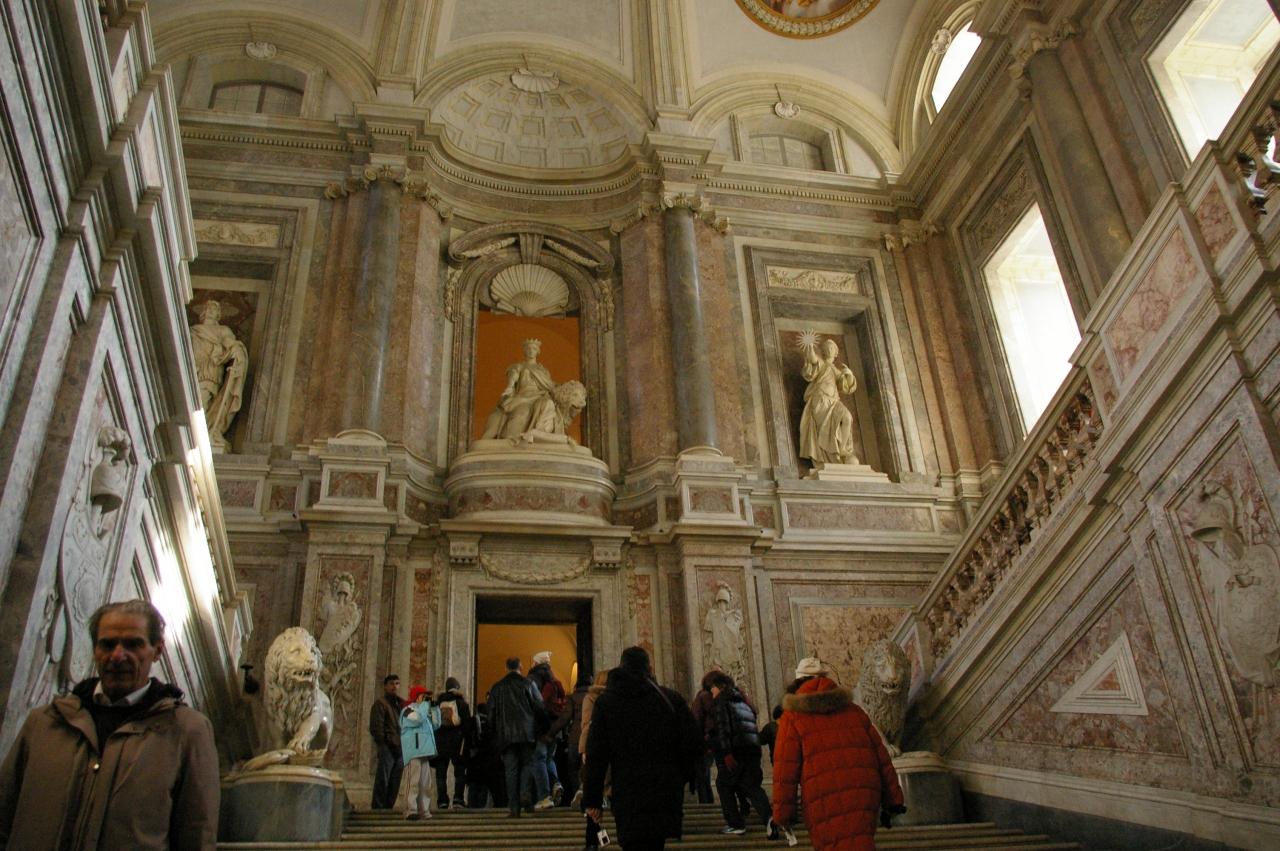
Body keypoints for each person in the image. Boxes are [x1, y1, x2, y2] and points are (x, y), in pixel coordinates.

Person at [0, 599, 219, 850]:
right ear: (95, 649)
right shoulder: (45, 722)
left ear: (157, 650)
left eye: (133, 644)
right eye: (107, 644)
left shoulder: (186, 731)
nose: (117, 655)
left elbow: (197, 834)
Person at [583, 646, 701, 851]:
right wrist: (680, 777)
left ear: (621, 667)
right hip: (663, 792)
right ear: (649, 668)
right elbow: (693, 742)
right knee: (656, 843)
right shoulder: (669, 699)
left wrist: (593, 799)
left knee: (633, 842)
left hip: (627, 793)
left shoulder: (607, 702)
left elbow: (596, 754)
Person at [772, 675, 905, 851]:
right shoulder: (855, 712)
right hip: (863, 791)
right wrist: (894, 800)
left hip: (822, 797)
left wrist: (783, 815)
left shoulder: (792, 717)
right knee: (860, 840)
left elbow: (785, 773)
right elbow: (882, 758)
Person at [707, 671, 776, 837]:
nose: (711, 691)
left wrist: (726, 752)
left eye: (712, 688)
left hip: (736, 750)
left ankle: (735, 824)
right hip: (751, 749)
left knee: (723, 784)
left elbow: (723, 728)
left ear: (720, 686)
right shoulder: (742, 701)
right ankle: (769, 818)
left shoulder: (721, 701)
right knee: (751, 786)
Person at [487, 656, 547, 817]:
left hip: (505, 735)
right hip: (527, 733)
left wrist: (493, 734)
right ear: (521, 667)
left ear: (506, 668)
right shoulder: (528, 684)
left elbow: (490, 713)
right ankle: (525, 792)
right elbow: (540, 707)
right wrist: (542, 730)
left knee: (510, 770)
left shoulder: (497, 687)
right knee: (528, 764)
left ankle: (514, 807)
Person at [189, 298, 248, 448]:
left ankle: (200, 434)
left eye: (214, 309)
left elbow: (232, 345)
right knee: (190, 400)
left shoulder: (223, 331)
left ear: (218, 314)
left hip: (211, 370)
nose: (211, 310)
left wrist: (238, 353)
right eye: (208, 307)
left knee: (203, 401)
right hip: (194, 369)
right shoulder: (193, 330)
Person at [799, 335, 859, 466]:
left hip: (834, 401)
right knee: (824, 430)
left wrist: (848, 374)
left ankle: (842, 449)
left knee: (847, 417)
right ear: (823, 351)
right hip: (820, 401)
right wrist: (810, 346)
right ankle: (826, 457)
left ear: (836, 353)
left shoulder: (836, 370)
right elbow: (812, 359)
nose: (829, 349)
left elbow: (846, 387)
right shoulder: (821, 364)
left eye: (832, 347)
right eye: (827, 347)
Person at [480, 338, 556, 440]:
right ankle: (511, 437)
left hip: (539, 396)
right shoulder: (519, 366)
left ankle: (540, 432)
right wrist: (510, 386)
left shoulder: (543, 370)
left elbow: (550, 385)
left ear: (537, 352)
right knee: (521, 412)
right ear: (525, 351)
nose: (531, 351)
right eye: (528, 349)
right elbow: (513, 376)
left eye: (534, 349)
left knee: (548, 405)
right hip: (523, 396)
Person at [527, 650, 567, 807]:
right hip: (555, 727)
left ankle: (544, 796)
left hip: (542, 728)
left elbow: (537, 704)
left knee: (539, 759)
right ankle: (556, 783)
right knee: (549, 758)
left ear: (536, 663)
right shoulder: (555, 680)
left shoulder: (534, 679)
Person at [576, 669, 610, 848]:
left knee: (594, 790)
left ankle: (592, 838)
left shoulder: (591, 698)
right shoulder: (616, 698)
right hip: (613, 750)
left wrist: (584, 749)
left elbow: (587, 725)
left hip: (596, 750)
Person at [401, 685, 440, 820]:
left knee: (425, 784)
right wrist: (424, 706)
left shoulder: (424, 712)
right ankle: (410, 810)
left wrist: (434, 708)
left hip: (424, 752)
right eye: (424, 696)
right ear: (416, 697)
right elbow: (417, 720)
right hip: (413, 752)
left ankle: (424, 810)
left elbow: (436, 725)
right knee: (412, 782)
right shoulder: (407, 710)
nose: (426, 700)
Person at [433, 676, 472, 808]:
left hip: (440, 742)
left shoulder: (437, 703)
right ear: (457, 688)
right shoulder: (462, 703)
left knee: (441, 773)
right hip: (458, 742)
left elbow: (433, 724)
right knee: (459, 772)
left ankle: (442, 800)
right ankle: (458, 799)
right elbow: (467, 726)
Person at [370, 673, 406, 809]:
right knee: (383, 779)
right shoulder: (380, 704)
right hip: (387, 747)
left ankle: (388, 807)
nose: (394, 687)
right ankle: (378, 807)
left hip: (401, 748)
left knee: (395, 781)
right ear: (385, 686)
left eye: (397, 683)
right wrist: (384, 743)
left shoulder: (402, 705)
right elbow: (376, 727)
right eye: (391, 684)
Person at [565, 671, 593, 808]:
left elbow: (565, 717)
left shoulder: (572, 697)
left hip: (574, 738)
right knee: (588, 767)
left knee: (573, 768)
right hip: (590, 737)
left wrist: (550, 733)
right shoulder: (594, 697)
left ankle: (577, 791)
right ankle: (586, 792)